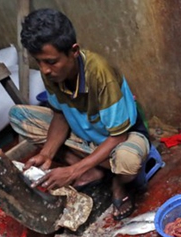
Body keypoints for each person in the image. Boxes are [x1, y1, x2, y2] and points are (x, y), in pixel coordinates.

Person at [9, 9, 152, 221]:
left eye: (51, 61)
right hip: (85, 137)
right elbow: (60, 114)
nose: (45, 70)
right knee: (19, 117)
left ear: (73, 51)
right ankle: (94, 170)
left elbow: (118, 136)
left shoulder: (100, 74)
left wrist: (73, 171)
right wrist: (47, 154)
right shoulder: (51, 72)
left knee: (127, 162)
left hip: (120, 139)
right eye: (39, 62)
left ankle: (118, 182)